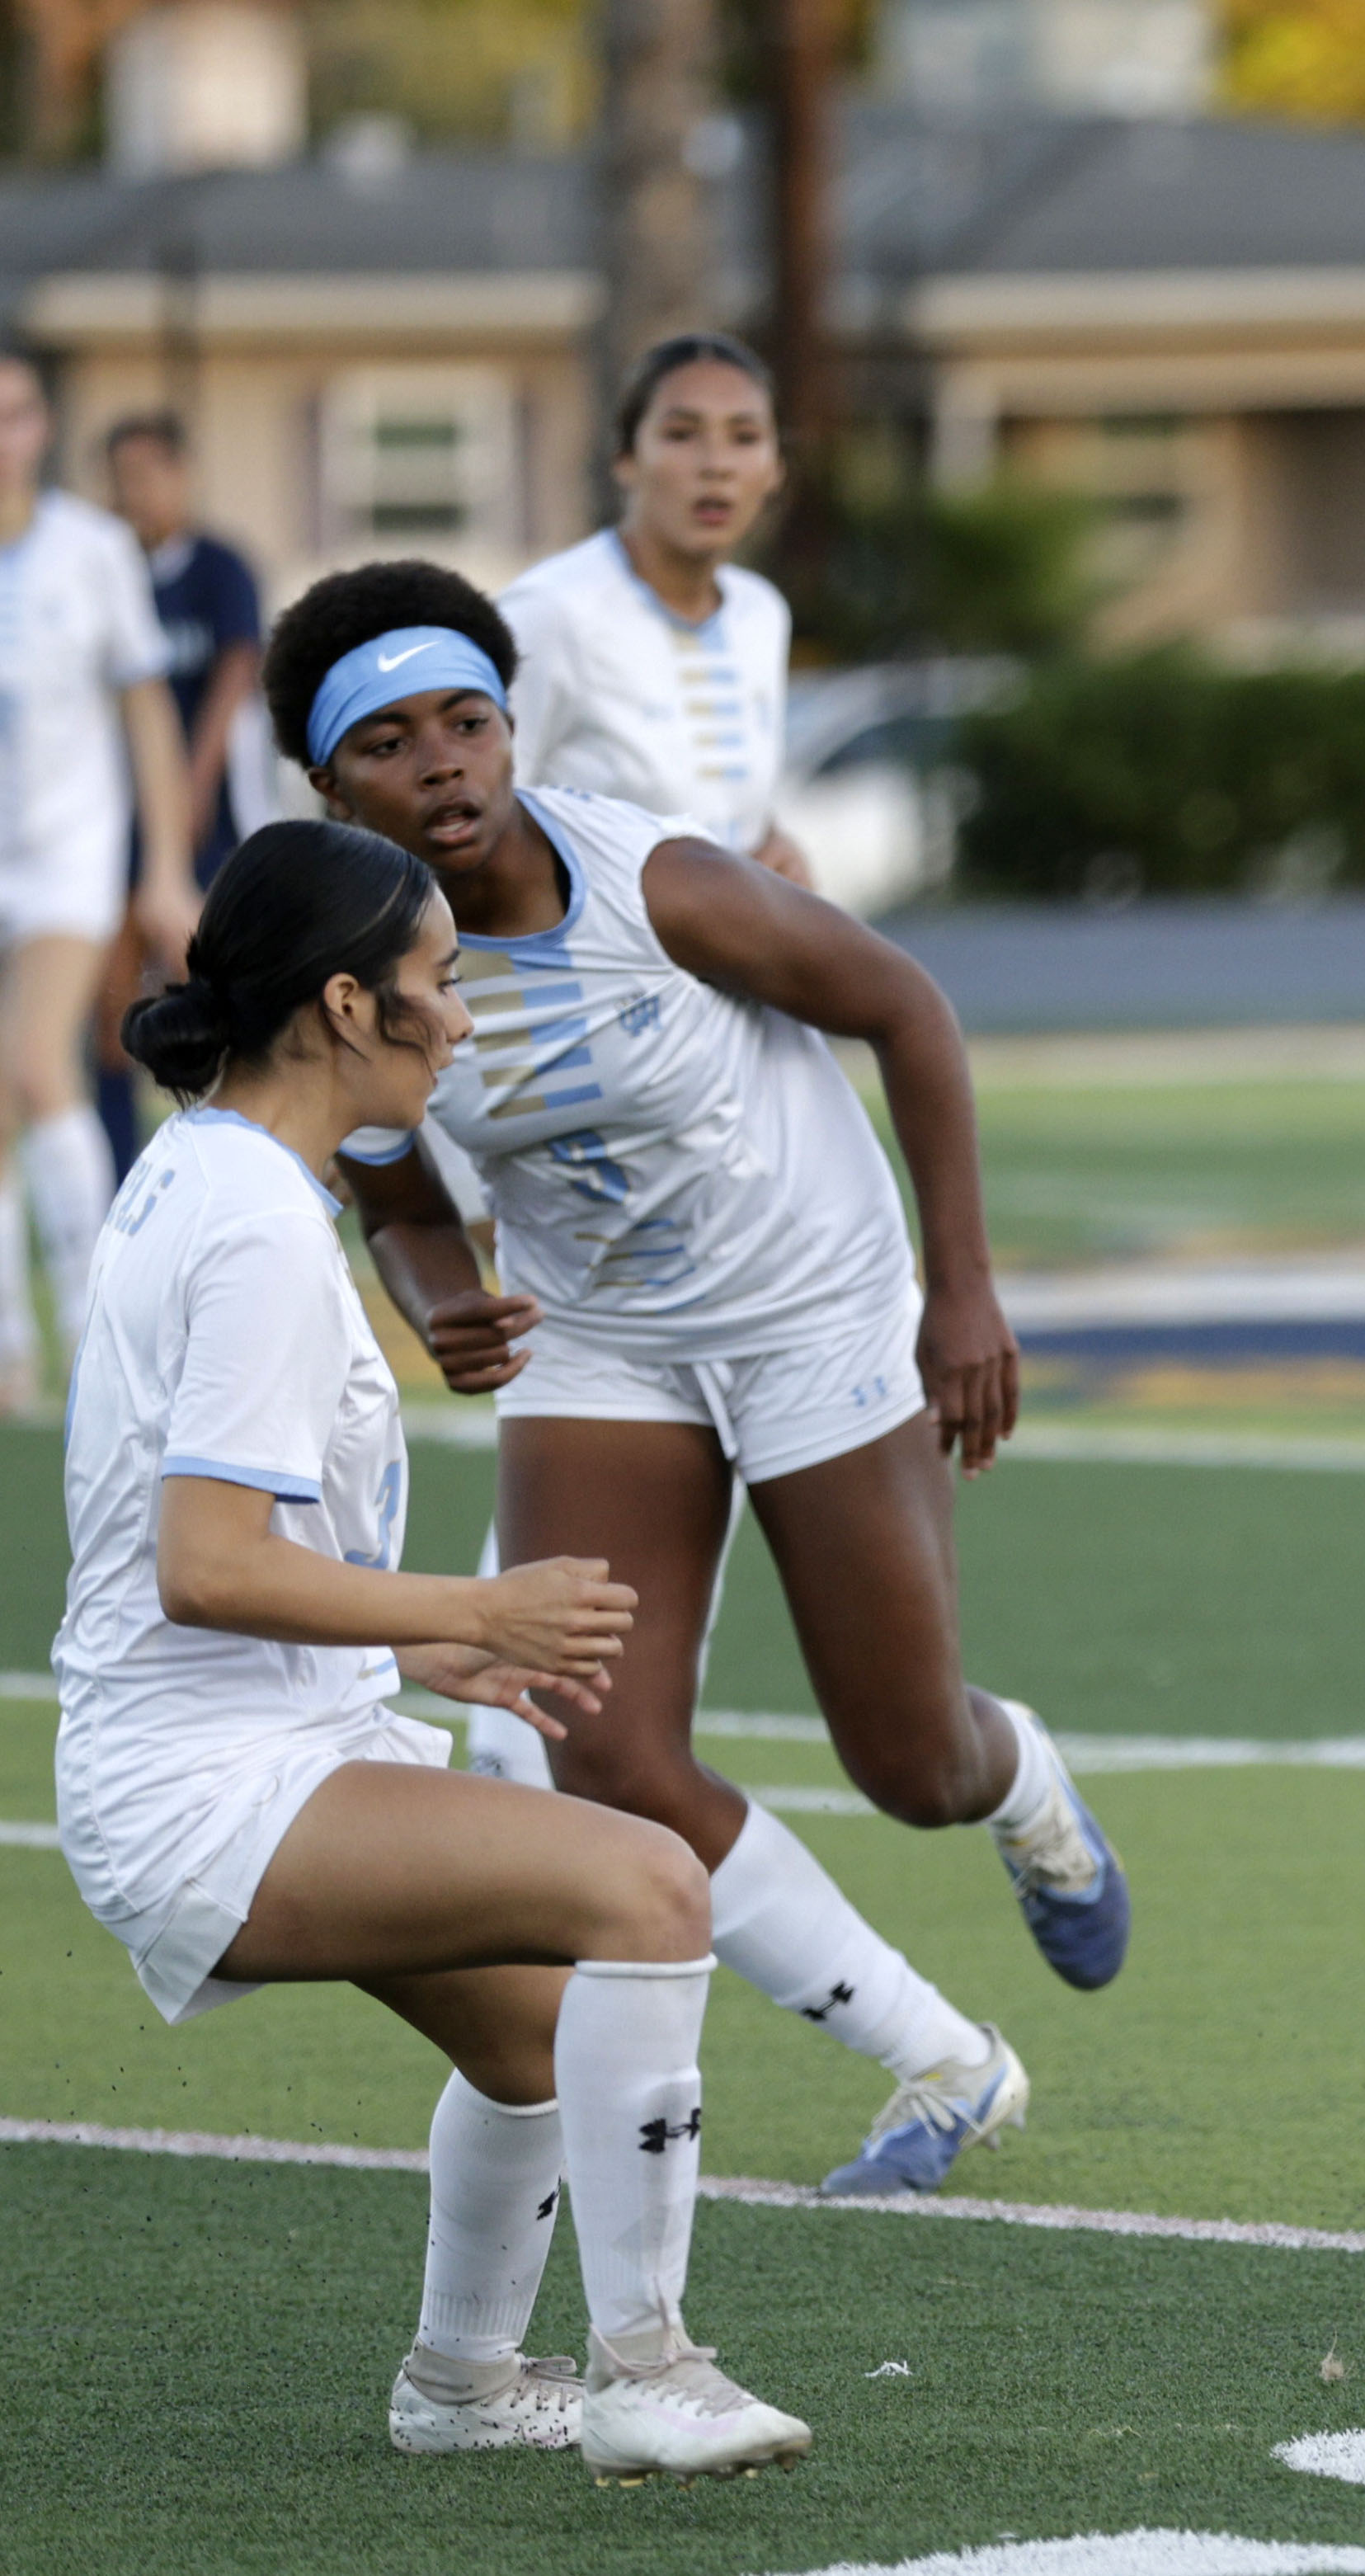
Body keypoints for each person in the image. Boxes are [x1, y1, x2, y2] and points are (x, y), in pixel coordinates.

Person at [262, 558, 1129, 2199]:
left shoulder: (654, 881)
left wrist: (962, 1289)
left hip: (812, 1302)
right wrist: (442, 1292)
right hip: (601, 1339)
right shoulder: (358, 966)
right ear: (327, 785)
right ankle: (942, 2061)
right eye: (387, 742)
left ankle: (1023, 1785)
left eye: (466, 719)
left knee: (907, 1767)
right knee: (602, 1759)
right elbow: (391, 1191)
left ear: (513, 728)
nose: (441, 762)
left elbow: (907, 1005)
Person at [56, 818, 807, 2480]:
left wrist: (418, 1659)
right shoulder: (253, 1220)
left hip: (239, 1752)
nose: (462, 1017)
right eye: (438, 983)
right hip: (207, 1791)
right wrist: (468, 1609)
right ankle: (645, 2369)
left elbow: (216, 1553)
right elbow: (205, 1563)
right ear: (342, 1005)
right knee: (647, 1885)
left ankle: (462, 2386)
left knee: (538, 2036)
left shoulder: (214, 1169)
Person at [0, 341, 196, 1410]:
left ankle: (94, 1326)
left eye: (18, 411)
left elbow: (146, 710)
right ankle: (10, 1351)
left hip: (67, 855)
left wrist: (162, 864)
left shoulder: (91, 552)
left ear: (42, 427)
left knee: (38, 1061)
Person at [497, 333, 815, 888]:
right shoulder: (550, 612)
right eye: (680, 434)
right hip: (587, 969)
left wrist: (777, 857)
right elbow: (477, 821)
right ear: (626, 457)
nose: (715, 464)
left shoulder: (760, 613)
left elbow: (740, 813)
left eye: (744, 437)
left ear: (775, 468)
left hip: (731, 966)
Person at [95, 410, 267, 1171]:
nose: (131, 493)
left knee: (219, 982)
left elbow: (235, 674)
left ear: (179, 473)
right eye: (119, 478)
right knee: (110, 998)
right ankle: (117, 1168)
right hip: (112, 818)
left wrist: (191, 784)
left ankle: (239, 1153)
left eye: (144, 474)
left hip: (210, 819)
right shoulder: (105, 569)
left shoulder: (220, 567)